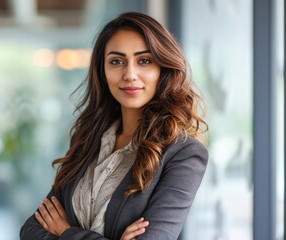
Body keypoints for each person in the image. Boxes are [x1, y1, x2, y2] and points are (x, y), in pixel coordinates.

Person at [20, 12, 208, 240]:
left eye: (144, 61)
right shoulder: (88, 138)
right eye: (116, 61)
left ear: (163, 69)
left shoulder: (183, 153)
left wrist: (65, 231)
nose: (129, 74)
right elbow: (31, 230)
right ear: (103, 71)